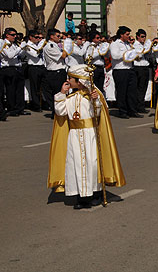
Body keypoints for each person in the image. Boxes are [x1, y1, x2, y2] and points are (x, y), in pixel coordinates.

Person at [47, 64, 125, 209]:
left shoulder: (93, 95)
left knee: (92, 163)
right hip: (74, 136)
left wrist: (95, 99)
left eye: (70, 78)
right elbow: (60, 111)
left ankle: (94, 194)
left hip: (90, 135)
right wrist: (61, 94)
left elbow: (99, 112)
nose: (68, 80)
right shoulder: (70, 97)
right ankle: (81, 196)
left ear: (80, 81)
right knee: (76, 164)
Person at [109, 26, 141, 119]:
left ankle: (132, 110)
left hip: (130, 69)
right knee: (122, 91)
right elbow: (115, 56)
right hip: (120, 70)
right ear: (121, 35)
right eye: (127, 34)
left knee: (131, 91)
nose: (128, 36)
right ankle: (122, 111)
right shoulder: (115, 44)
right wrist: (127, 54)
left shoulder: (128, 44)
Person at [0, 27, 28, 117]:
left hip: (17, 68)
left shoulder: (14, 44)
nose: (15, 36)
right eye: (13, 35)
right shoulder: (3, 44)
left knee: (19, 90)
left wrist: (24, 50)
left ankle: (20, 108)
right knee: (11, 90)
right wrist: (20, 48)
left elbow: (19, 55)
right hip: (8, 69)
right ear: (7, 35)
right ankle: (11, 109)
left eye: (15, 35)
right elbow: (10, 55)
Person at [43, 28, 69, 117]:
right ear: (51, 36)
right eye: (58, 36)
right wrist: (66, 46)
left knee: (60, 92)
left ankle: (59, 111)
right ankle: (56, 110)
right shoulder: (50, 46)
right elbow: (63, 55)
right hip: (55, 72)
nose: (60, 38)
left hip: (59, 72)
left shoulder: (56, 45)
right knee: (55, 93)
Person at [24, 30, 46, 112]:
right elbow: (35, 55)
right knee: (34, 88)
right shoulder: (28, 46)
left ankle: (44, 103)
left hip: (41, 67)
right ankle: (36, 105)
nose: (38, 39)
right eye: (36, 37)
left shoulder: (38, 45)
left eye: (40, 38)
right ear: (31, 37)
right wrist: (41, 44)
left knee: (44, 86)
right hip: (33, 68)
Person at [133, 29, 152, 114]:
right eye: (142, 37)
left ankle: (141, 105)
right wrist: (148, 45)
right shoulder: (135, 45)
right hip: (138, 68)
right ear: (138, 36)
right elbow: (140, 54)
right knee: (139, 88)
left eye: (145, 37)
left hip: (145, 67)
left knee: (144, 87)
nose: (144, 38)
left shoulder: (143, 45)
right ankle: (138, 106)